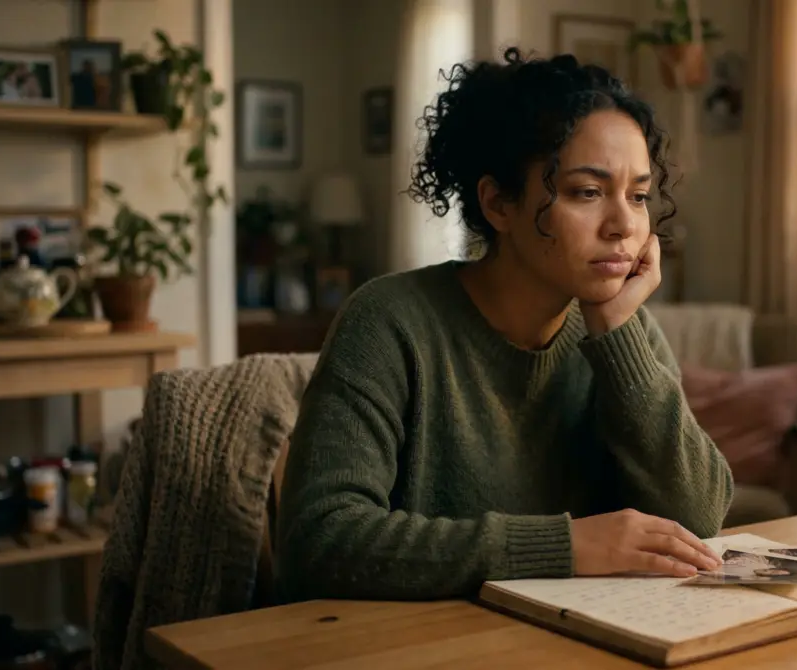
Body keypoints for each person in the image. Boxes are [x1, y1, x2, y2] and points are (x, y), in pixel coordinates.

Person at [276, 47, 734, 603]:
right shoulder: (388, 321)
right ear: (498, 204)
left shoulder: (621, 333)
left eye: (638, 196)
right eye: (587, 192)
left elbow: (699, 518)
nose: (623, 225)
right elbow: (319, 540)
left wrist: (619, 335)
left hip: (570, 636)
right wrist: (563, 547)